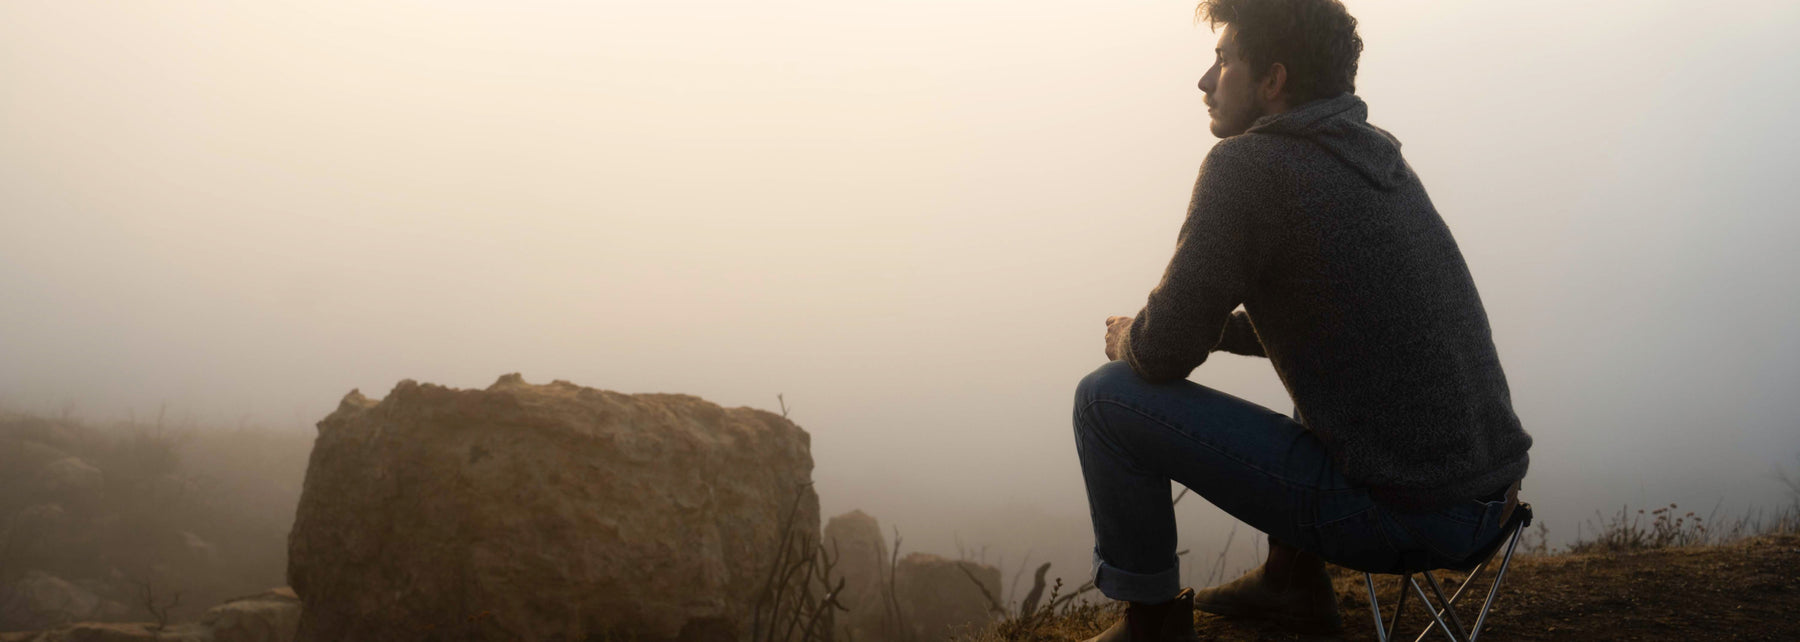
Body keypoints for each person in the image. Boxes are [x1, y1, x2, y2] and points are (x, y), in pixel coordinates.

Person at [1072, 1, 1533, 640]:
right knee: (1319, 370)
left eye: (1224, 61)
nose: (1205, 81)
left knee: (1104, 397)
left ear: (1273, 81)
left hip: (1408, 516)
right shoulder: (1374, 156)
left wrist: (1126, 336)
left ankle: (1152, 624)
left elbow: (1162, 352)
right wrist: (1223, 333)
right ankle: (1290, 581)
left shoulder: (1248, 167)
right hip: (1490, 504)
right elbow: (1341, 325)